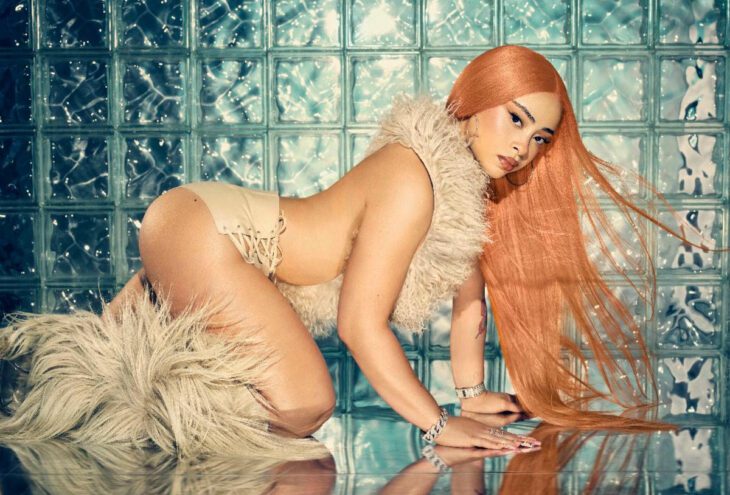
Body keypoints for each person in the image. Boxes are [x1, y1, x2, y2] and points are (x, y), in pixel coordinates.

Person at [0, 45, 724, 457]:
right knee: (307, 402)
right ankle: (117, 407)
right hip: (207, 229)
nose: (522, 147)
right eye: (514, 119)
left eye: (539, 138)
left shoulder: (460, 197)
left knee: (250, 395)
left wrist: (472, 395)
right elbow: (358, 322)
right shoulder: (413, 175)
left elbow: (469, 307)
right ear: (474, 101)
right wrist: (438, 424)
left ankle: (108, 361)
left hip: (217, 240)